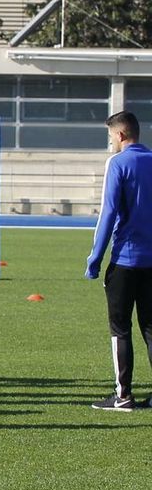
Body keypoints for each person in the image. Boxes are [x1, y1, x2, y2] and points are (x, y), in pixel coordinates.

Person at [85, 111, 152, 410]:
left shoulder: (118, 163)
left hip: (126, 259)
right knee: (151, 327)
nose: (110, 142)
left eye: (111, 136)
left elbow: (108, 213)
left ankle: (123, 395)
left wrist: (95, 258)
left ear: (121, 135)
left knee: (120, 328)